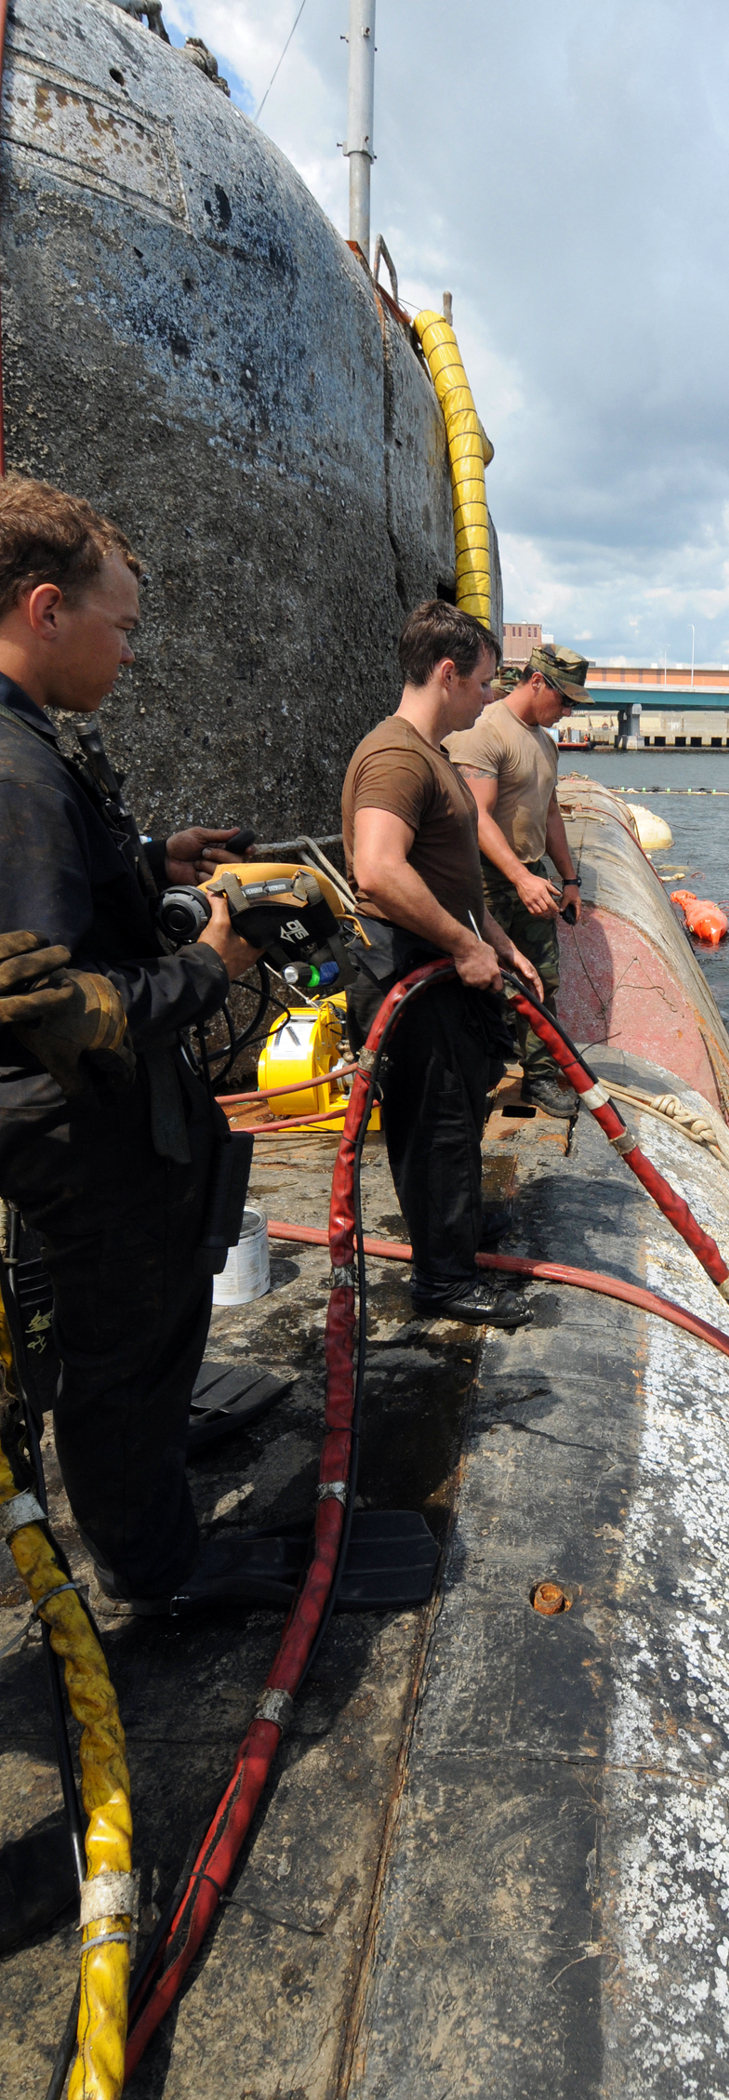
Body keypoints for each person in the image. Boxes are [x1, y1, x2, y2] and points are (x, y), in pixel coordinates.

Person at [0, 477, 260, 1608]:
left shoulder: (28, 751)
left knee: (143, 1329)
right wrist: (214, 966)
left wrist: (153, 863)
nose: (132, 657)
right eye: (123, 629)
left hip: (82, 1120)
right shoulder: (17, 776)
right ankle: (156, 1571)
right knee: (130, 1335)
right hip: (82, 1130)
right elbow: (48, 1013)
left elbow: (42, 909)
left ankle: (145, 1481)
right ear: (46, 609)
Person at [343, 600, 546, 1329]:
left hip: (450, 969)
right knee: (432, 1127)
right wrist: (464, 948)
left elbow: (451, 879)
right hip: (414, 977)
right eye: (485, 682)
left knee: (461, 1112)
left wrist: (501, 942)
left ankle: (456, 1230)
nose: (491, 696)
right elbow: (378, 870)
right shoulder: (397, 756)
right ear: (449, 672)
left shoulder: (436, 757)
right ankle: (443, 1281)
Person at [444, 644, 589, 1119]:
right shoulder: (484, 731)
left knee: (540, 978)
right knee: (478, 982)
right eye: (564, 700)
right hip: (484, 879)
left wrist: (568, 879)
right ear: (537, 682)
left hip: (529, 873)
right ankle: (472, 1080)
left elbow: (548, 811)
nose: (566, 712)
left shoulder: (544, 742)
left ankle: (540, 1078)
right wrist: (520, 878)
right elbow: (478, 818)